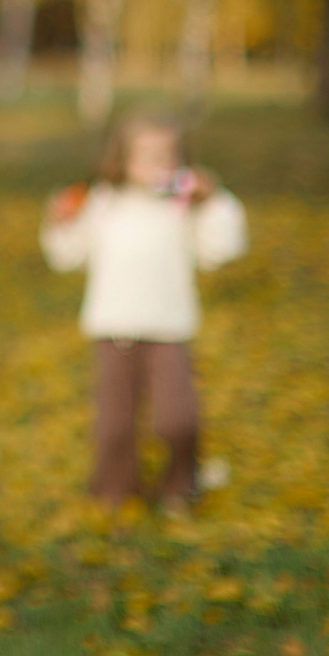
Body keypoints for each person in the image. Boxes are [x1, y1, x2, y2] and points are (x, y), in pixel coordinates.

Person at [41, 113, 248, 509]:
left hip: (169, 328)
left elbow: (221, 250)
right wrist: (59, 222)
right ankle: (115, 492)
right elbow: (67, 256)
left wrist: (214, 200)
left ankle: (180, 487)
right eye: (147, 156)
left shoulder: (184, 205)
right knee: (114, 426)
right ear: (121, 159)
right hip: (114, 329)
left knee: (177, 419)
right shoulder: (102, 204)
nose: (159, 165)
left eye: (168, 156)